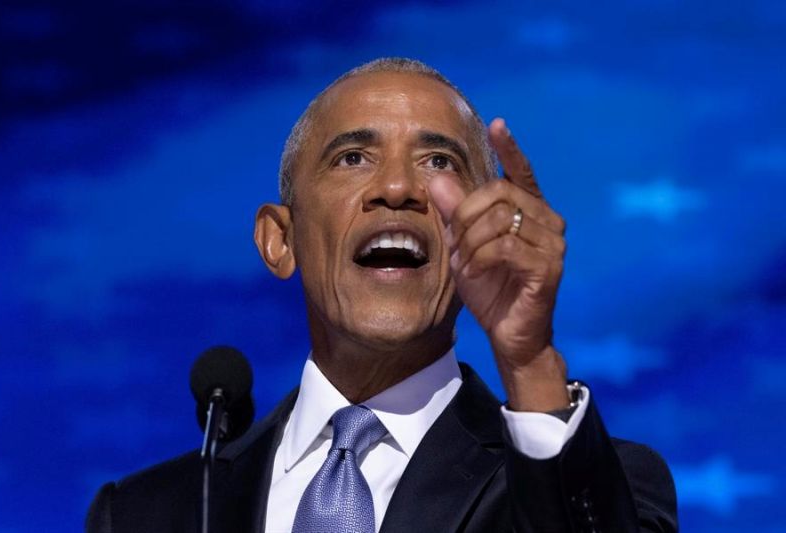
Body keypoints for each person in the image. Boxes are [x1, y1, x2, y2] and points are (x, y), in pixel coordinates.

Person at [86, 58, 677, 532]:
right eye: (353, 157)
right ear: (280, 241)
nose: (397, 188)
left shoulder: (596, 480)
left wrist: (530, 364)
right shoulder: (145, 514)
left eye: (438, 160)